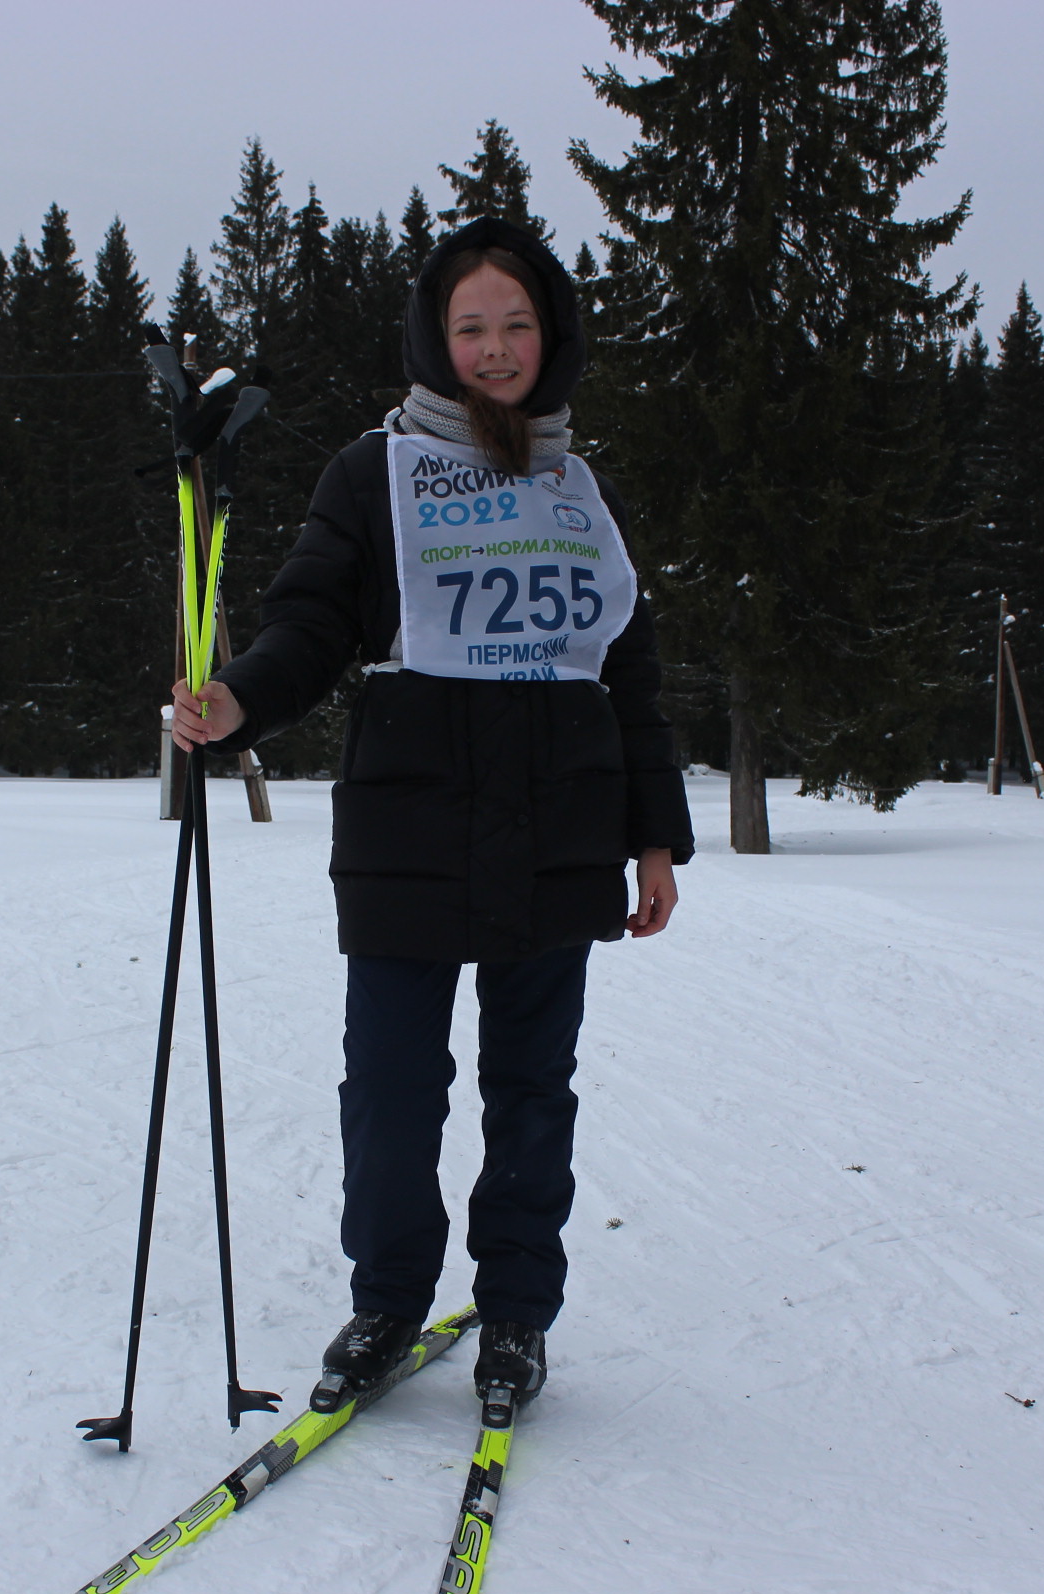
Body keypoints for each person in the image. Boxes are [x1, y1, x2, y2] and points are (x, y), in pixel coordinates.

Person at [170, 216, 693, 1410]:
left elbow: (629, 673)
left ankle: (516, 1314)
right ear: (433, 339)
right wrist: (240, 698)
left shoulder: (581, 490)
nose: (495, 349)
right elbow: (312, 621)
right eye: (470, 328)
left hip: (560, 827)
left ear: (550, 337)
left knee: (532, 1093)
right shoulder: (375, 473)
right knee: (392, 1091)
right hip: (408, 825)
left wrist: (654, 836)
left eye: (516, 325)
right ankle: (389, 1301)